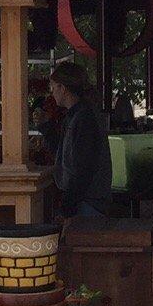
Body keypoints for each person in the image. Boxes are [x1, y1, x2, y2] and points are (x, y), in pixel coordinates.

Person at [48, 60, 111, 218]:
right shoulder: (76, 115)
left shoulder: (83, 118)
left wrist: (68, 204)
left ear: (63, 88)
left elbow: (82, 166)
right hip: (86, 199)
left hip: (87, 201)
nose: (52, 92)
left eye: (53, 87)